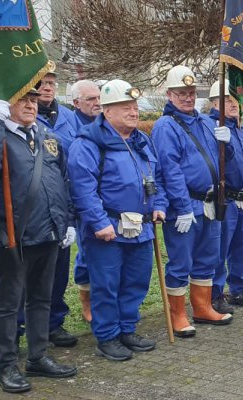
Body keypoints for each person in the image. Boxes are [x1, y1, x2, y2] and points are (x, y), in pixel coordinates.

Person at [0, 90, 78, 393]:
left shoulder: (46, 134)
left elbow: (62, 180)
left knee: (40, 299)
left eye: (33, 100)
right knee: (9, 303)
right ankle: (6, 365)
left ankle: (37, 356)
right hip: (12, 235)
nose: (31, 105)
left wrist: (67, 221)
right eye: (22, 99)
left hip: (47, 232)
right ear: (3, 105)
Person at [67, 79, 166, 361]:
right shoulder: (88, 143)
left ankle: (126, 329)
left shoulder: (141, 140)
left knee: (135, 282)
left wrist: (159, 204)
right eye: (126, 107)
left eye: (134, 107)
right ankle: (107, 336)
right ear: (107, 111)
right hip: (108, 229)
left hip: (142, 227)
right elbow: (83, 188)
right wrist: (99, 223)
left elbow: (156, 177)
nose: (134, 112)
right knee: (107, 284)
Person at [152, 65, 233, 338]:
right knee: (181, 262)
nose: (187, 97)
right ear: (169, 95)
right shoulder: (166, 126)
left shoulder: (204, 122)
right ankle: (177, 314)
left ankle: (202, 307)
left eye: (190, 92)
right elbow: (169, 169)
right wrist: (183, 208)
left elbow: (222, 161)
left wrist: (228, 143)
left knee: (207, 259)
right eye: (181, 93)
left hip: (209, 204)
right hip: (185, 206)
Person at [28, 64, 79, 348]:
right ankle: (25, 324)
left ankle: (53, 322)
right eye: (42, 82)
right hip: (32, 206)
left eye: (51, 82)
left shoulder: (69, 117)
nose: (47, 87)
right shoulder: (20, 116)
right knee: (31, 270)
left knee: (59, 268)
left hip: (63, 201)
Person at [207, 80, 243, 311]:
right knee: (221, 248)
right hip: (225, 198)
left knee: (242, 246)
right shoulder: (211, 126)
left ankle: (239, 288)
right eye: (226, 100)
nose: (232, 105)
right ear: (214, 102)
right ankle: (215, 293)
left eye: (235, 100)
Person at [68, 78, 102, 324]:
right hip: (80, 198)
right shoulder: (72, 126)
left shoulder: (105, 123)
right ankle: (87, 302)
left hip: (106, 199)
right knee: (86, 255)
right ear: (76, 102)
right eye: (91, 99)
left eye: (99, 98)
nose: (97, 103)